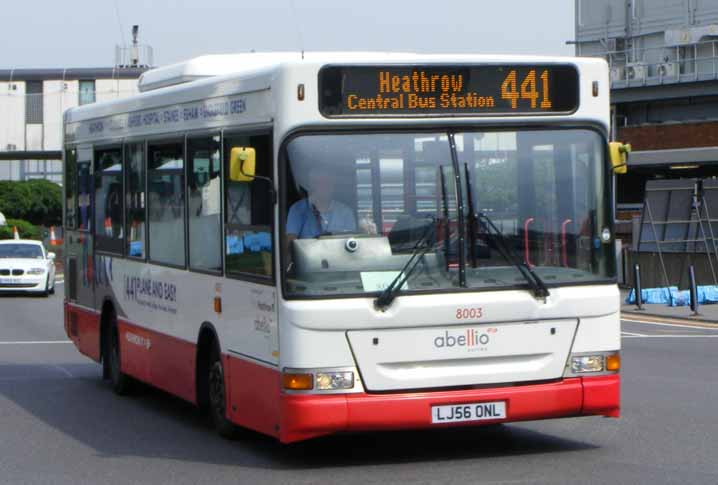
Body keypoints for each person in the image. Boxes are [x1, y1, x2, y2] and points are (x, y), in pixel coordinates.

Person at [287, 168, 356, 240]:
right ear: (311, 186)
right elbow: (291, 241)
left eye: (328, 182)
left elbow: (351, 240)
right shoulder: (297, 209)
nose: (324, 187)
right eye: (319, 183)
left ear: (333, 185)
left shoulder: (345, 212)